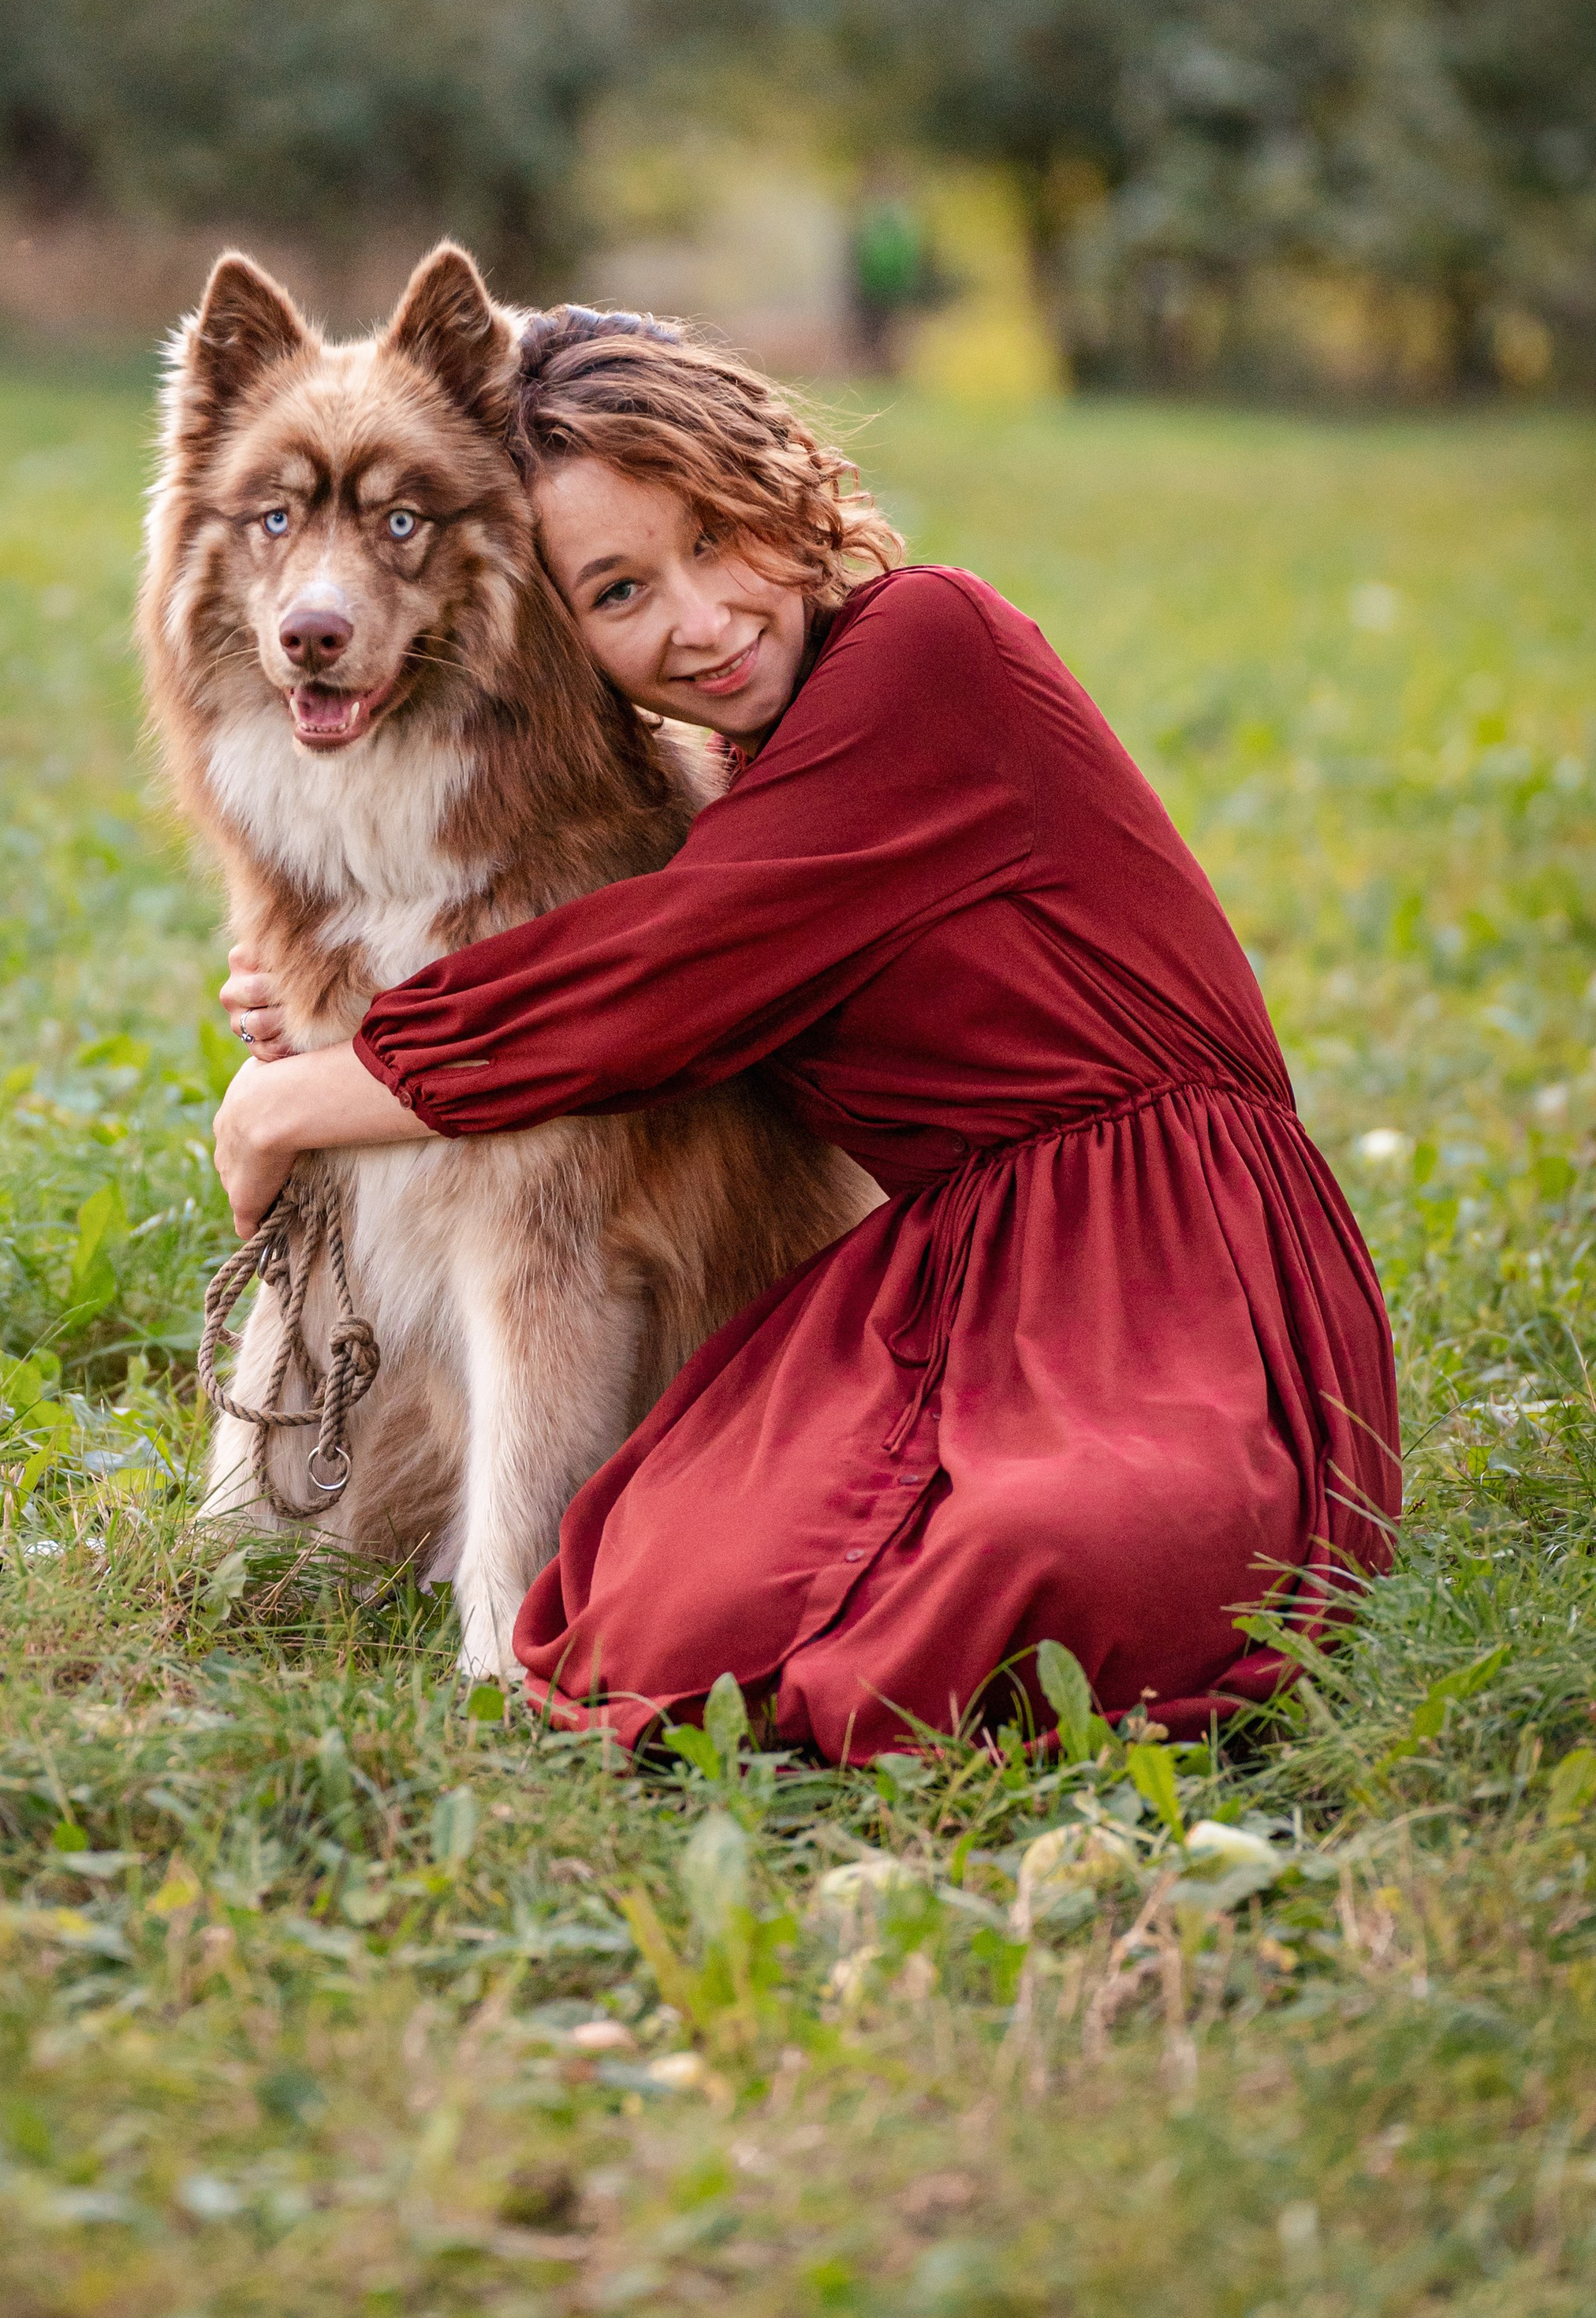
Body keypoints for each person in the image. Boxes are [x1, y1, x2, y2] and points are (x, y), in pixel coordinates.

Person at [209, 307, 1400, 1759]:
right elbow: (621, 946)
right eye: (620, 589)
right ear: (562, 631)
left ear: (784, 485)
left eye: (716, 539)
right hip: (959, 1265)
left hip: (1175, 1250)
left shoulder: (929, 647)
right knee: (656, 1602)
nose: (698, 620)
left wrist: (295, 1099)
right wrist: (341, 998)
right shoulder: (744, 766)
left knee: (1050, 1559)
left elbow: (663, 971)